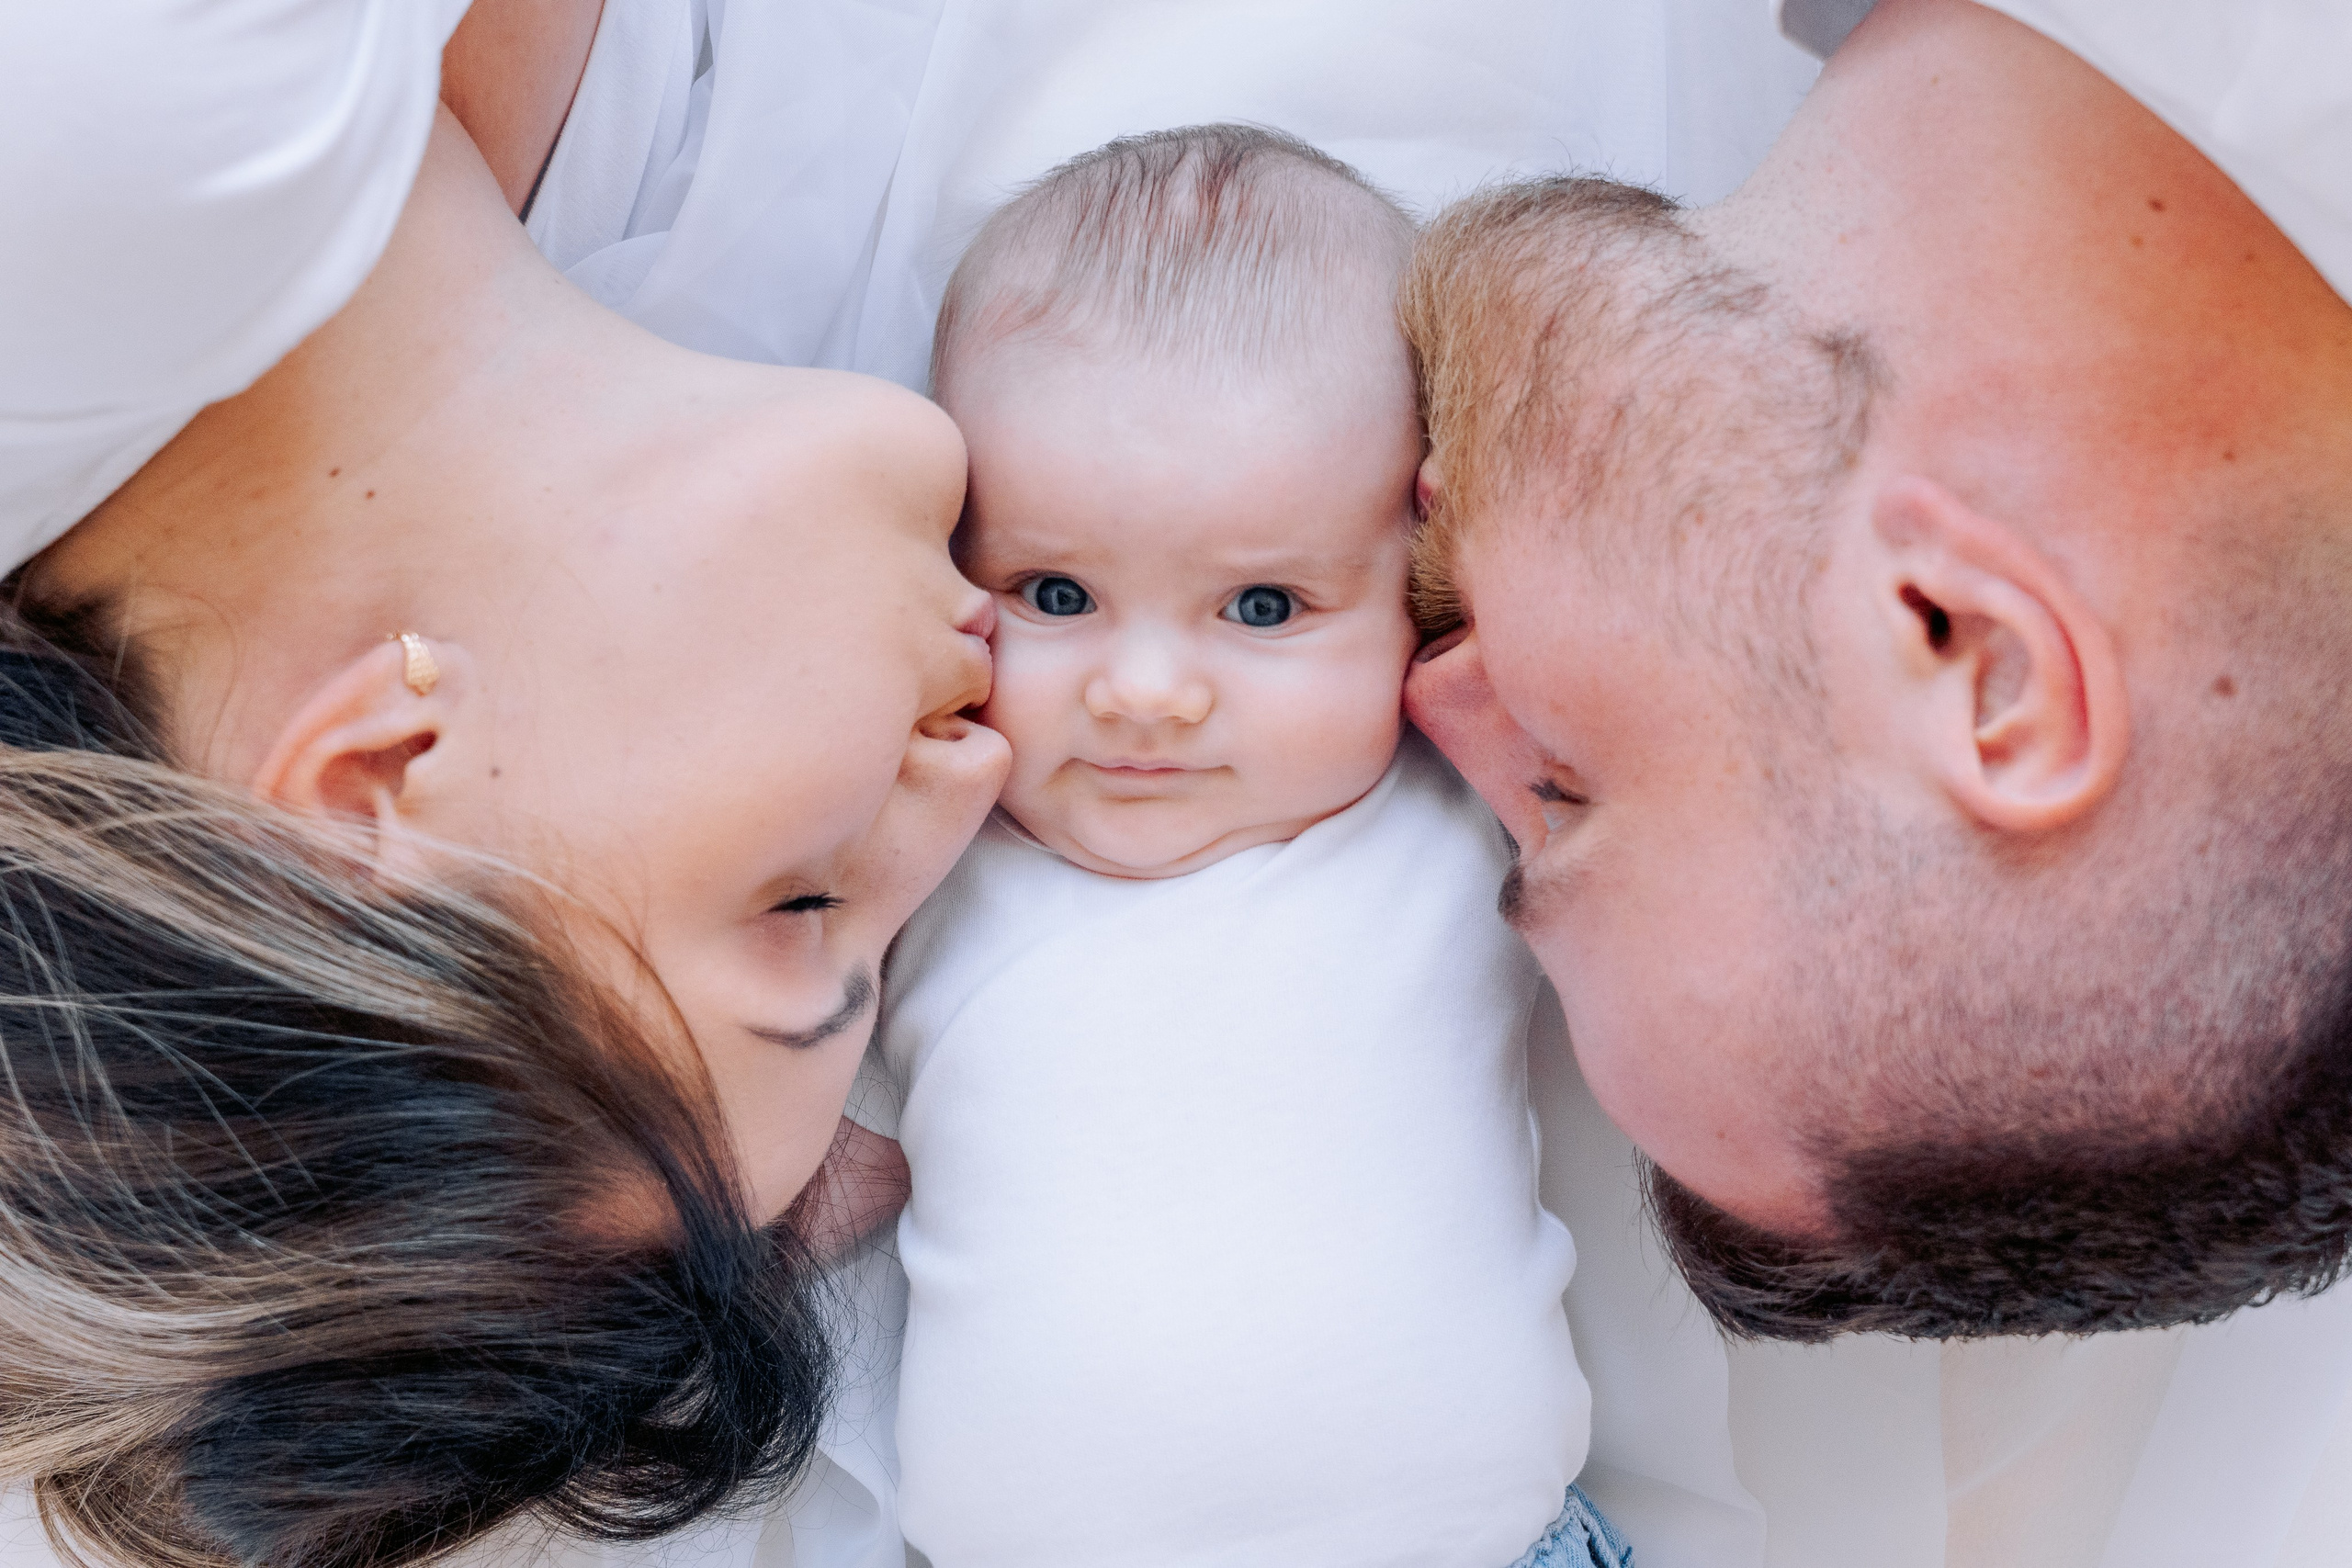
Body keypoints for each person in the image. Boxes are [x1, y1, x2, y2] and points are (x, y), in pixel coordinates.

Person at [0, 4, 1007, 1564]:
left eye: (805, 904)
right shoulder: (533, 210)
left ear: (386, 776)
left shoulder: (104, 158)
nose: (980, 773)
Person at [858, 125, 1613, 1568]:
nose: (1146, 692)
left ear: (1423, 589)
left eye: (1263, 608)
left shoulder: (1456, 813)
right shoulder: (925, 843)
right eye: (1056, 591)